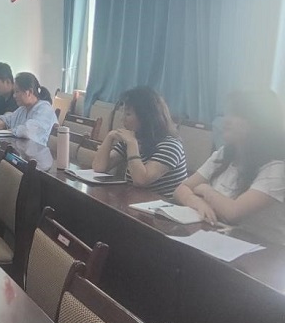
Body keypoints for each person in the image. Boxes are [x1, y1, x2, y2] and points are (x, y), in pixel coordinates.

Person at [172, 90, 285, 243]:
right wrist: (197, 202)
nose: (226, 121)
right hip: (222, 237)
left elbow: (233, 212)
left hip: (262, 249)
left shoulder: (276, 169)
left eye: (237, 115)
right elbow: (181, 189)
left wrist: (205, 189)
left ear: (259, 122)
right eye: (228, 114)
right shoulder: (225, 153)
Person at [92, 86, 187, 196]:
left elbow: (141, 180)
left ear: (146, 117)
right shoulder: (134, 138)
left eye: (128, 114)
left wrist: (132, 144)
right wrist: (109, 137)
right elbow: (99, 167)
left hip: (162, 204)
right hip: (135, 200)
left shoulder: (171, 145)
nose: (122, 119)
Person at [0, 72, 56, 145]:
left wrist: (11, 130)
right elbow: (9, 119)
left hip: (38, 151)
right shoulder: (23, 109)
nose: (14, 96)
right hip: (23, 149)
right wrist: (0, 123)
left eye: (17, 92)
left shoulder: (45, 109)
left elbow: (28, 131)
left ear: (29, 92)